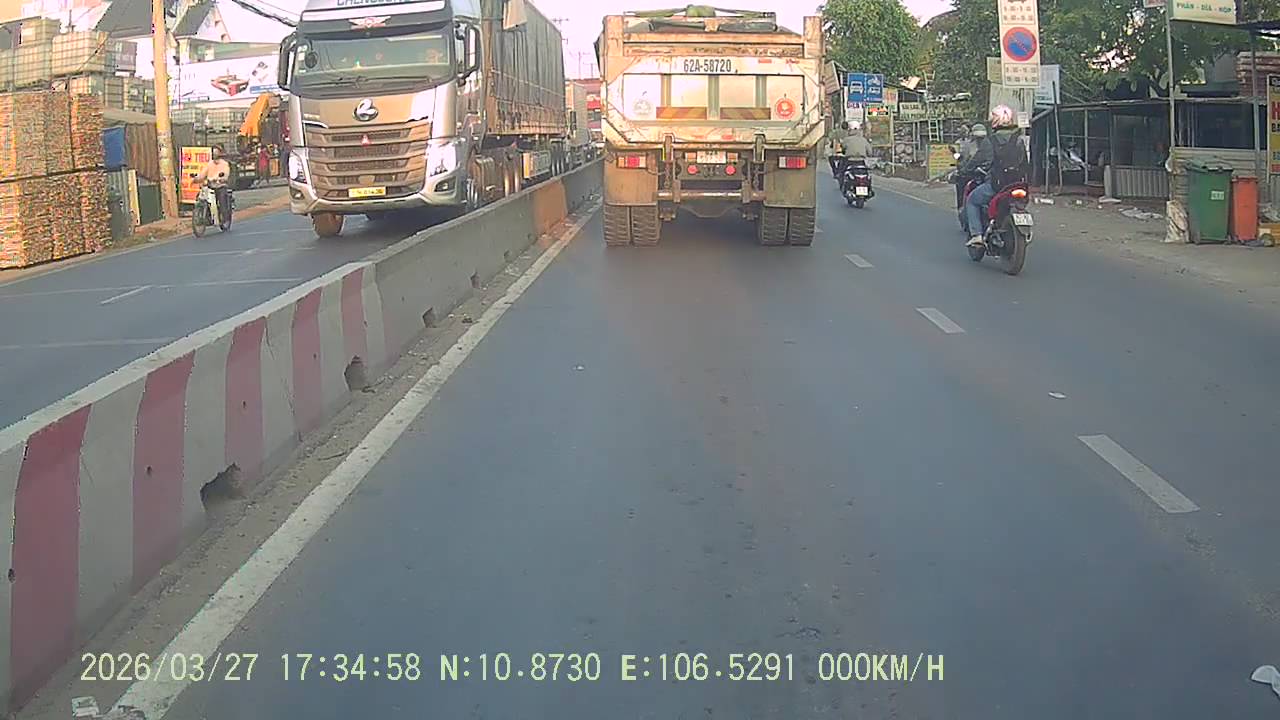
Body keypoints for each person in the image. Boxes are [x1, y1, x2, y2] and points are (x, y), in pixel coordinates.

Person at [964, 106, 1024, 248]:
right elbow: (1025, 162)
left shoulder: (991, 140)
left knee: (972, 200)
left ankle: (977, 235)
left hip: (997, 184)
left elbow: (978, 159)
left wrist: (966, 169)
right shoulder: (1019, 139)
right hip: (1018, 184)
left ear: (996, 120)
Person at [195, 145, 233, 225]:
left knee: (222, 200)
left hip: (220, 186)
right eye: (213, 152)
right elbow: (203, 173)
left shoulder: (224, 164)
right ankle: (207, 217)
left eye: (216, 152)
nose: (214, 154)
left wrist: (222, 178)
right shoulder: (210, 164)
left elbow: (226, 173)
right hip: (210, 186)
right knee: (202, 197)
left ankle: (224, 217)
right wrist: (197, 178)